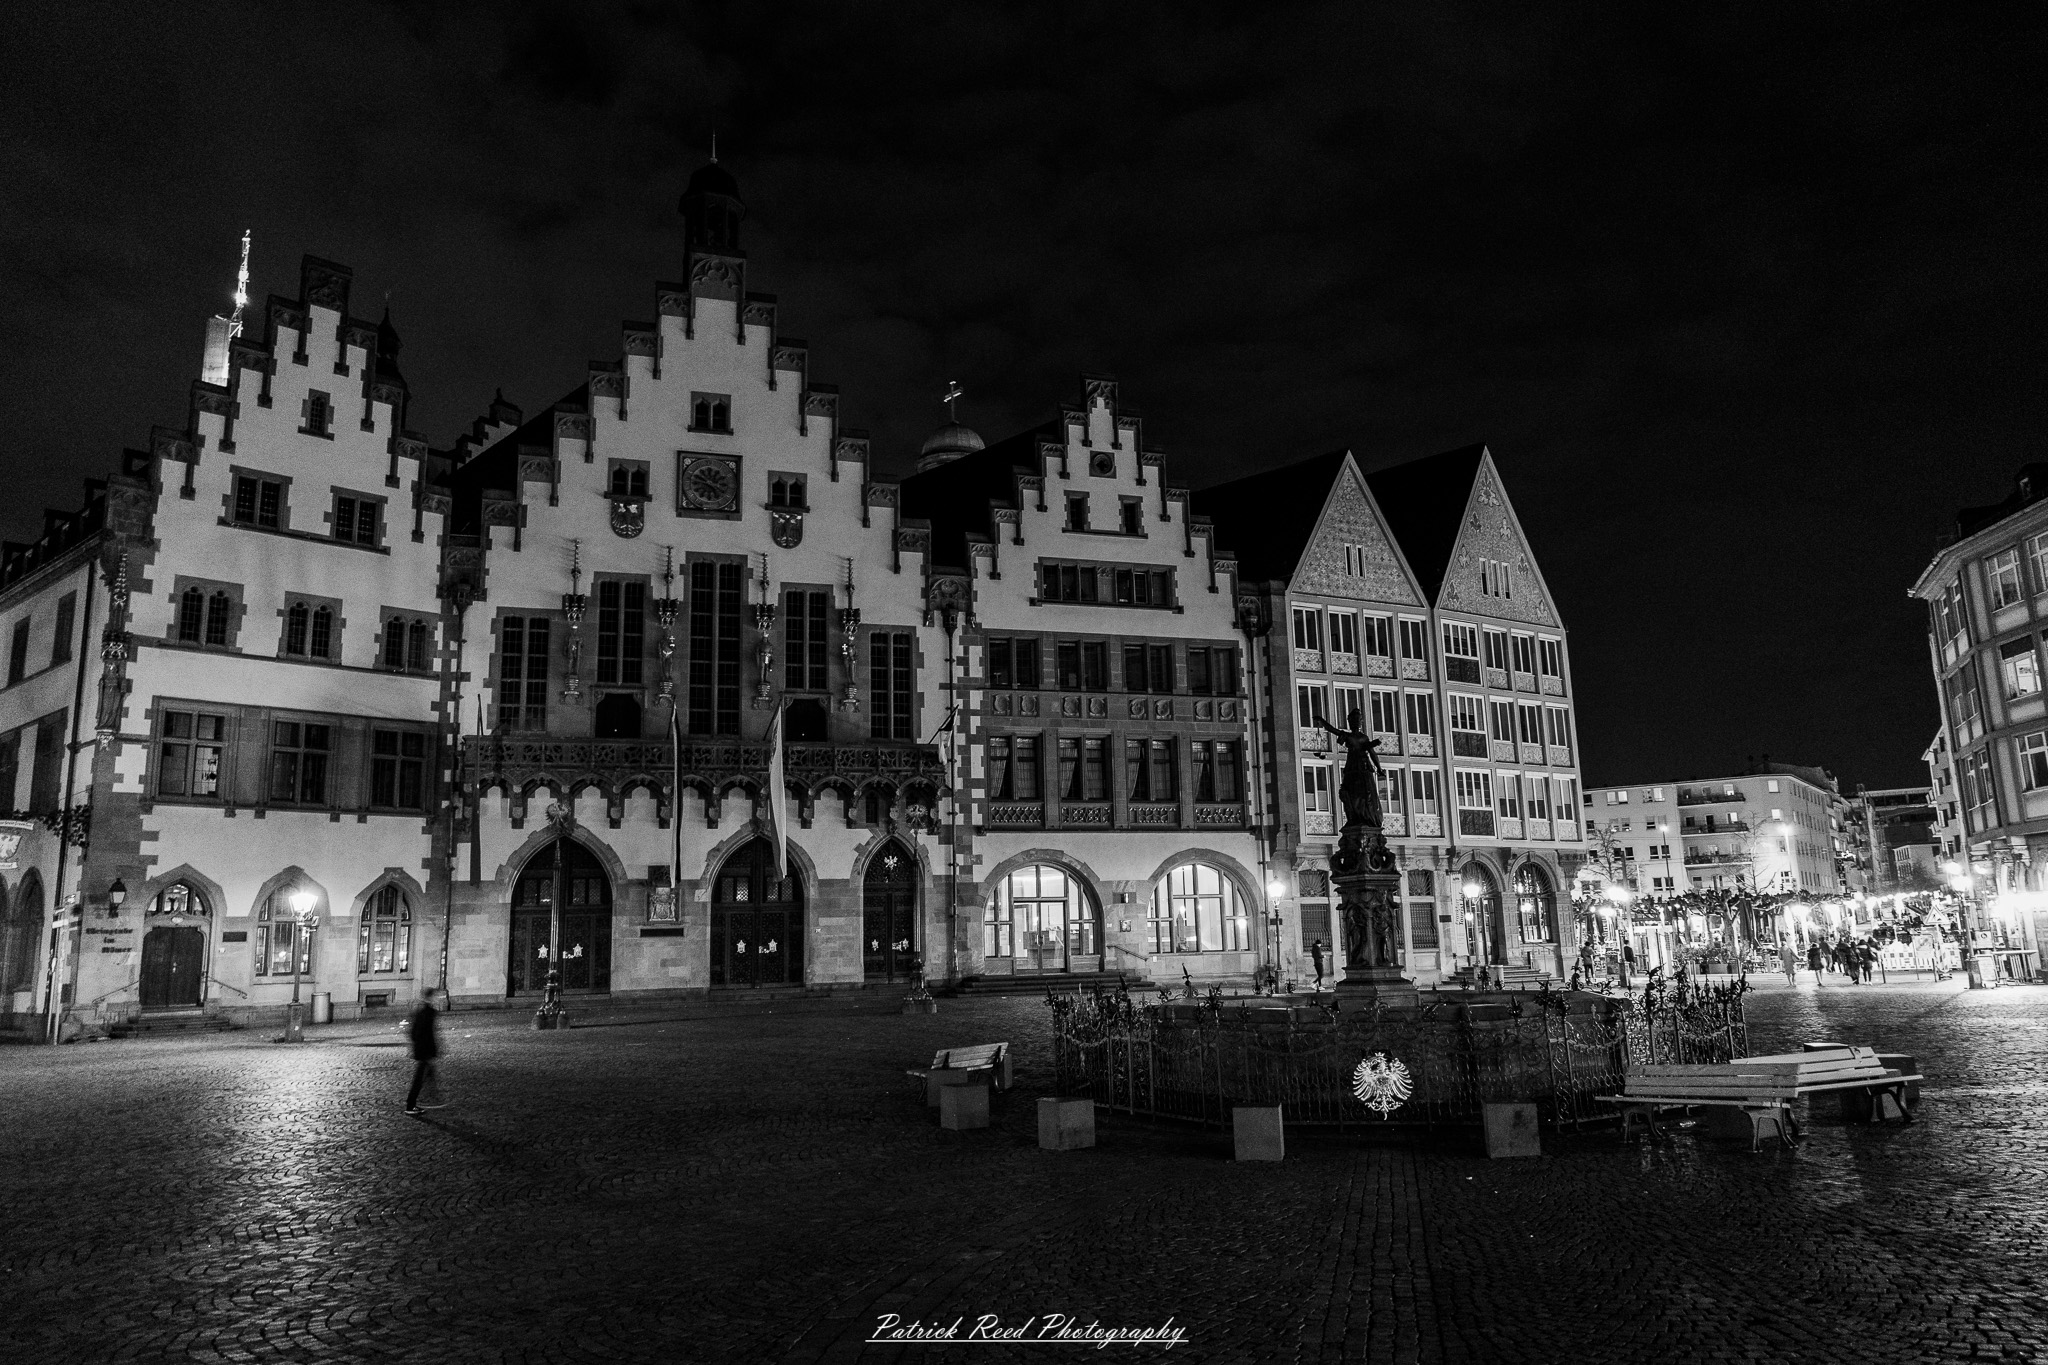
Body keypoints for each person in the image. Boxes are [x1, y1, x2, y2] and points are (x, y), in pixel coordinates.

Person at [404, 988, 441, 1115]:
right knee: (419, 1078)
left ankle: (429, 1097)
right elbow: (424, 1034)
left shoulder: (423, 1012)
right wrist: (428, 1050)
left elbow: (414, 1032)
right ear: (430, 998)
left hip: (423, 1050)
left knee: (426, 1075)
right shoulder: (427, 1013)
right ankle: (411, 1105)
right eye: (435, 997)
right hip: (424, 1051)